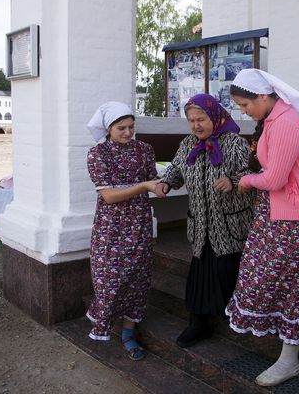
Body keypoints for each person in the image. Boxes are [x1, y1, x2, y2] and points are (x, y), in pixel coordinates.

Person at [226, 69, 299, 387]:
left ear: (263, 97)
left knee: (292, 284)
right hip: (279, 213)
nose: (243, 111)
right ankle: (285, 349)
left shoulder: (284, 122)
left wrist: (245, 181)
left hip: (294, 218)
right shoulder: (274, 119)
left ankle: (289, 361)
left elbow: (274, 179)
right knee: (272, 278)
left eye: (245, 104)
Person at [155, 93, 254, 348]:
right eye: (191, 121)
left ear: (215, 116)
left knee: (227, 271)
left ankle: (236, 320)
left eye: (201, 119)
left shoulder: (234, 143)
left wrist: (233, 181)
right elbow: (176, 169)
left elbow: (251, 173)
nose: (196, 125)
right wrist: (167, 182)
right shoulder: (188, 144)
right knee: (199, 275)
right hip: (200, 225)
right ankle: (198, 324)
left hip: (229, 225)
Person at [86, 101, 159, 361]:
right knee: (109, 280)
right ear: (108, 128)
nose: (128, 132)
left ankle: (129, 331)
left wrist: (164, 184)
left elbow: (155, 180)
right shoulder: (98, 154)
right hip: (111, 227)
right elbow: (108, 196)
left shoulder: (144, 150)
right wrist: (145, 186)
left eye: (131, 127)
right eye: (121, 128)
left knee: (137, 280)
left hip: (138, 223)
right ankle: (103, 322)